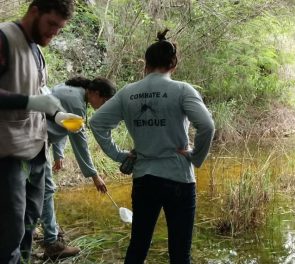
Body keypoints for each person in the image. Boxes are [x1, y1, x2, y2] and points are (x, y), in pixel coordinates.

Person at [90, 29, 215, 264]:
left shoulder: (129, 92)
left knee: (138, 246)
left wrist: (119, 154)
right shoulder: (182, 90)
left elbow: (97, 123)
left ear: (145, 63)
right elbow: (207, 126)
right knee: (180, 252)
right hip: (178, 177)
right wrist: (195, 157)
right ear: (173, 63)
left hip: (144, 178)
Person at [0, 0, 75, 263]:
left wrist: (56, 113)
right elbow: (30, 97)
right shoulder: (5, 37)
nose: (54, 32)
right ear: (34, 12)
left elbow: (39, 88)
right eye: (51, 23)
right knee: (10, 231)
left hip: (36, 152)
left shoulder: (37, 49)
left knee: (30, 222)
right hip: (8, 155)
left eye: (60, 28)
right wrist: (28, 102)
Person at [41, 76, 116, 259]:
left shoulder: (70, 91)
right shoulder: (77, 102)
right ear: (96, 94)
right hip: (34, 140)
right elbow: (79, 140)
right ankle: (52, 244)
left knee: (38, 187)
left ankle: (43, 232)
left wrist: (58, 154)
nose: (104, 105)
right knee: (47, 188)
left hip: (36, 138)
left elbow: (62, 121)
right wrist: (94, 176)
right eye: (105, 101)